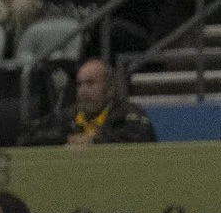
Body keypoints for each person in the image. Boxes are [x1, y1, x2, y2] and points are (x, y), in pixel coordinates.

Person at [24, 54, 157, 149]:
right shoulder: (67, 116)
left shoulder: (128, 114)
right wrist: (66, 139)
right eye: (79, 84)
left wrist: (96, 139)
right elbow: (28, 138)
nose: (83, 91)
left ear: (110, 88)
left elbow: (142, 140)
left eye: (90, 83)